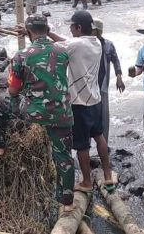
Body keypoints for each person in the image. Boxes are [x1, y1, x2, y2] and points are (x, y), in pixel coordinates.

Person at [0, 15, 76, 212]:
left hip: (35, 112)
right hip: (62, 112)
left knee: (1, 100)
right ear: (47, 28)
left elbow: (14, 92)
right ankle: (67, 203)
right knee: (64, 156)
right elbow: (61, 49)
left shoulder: (22, 55)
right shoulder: (64, 50)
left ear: (28, 31)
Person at [47, 11, 115, 194]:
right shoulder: (96, 42)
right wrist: (48, 32)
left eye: (72, 26)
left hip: (79, 103)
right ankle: (107, 174)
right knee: (99, 136)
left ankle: (86, 181)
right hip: (95, 99)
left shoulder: (76, 44)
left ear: (78, 27)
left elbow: (57, 46)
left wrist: (42, 34)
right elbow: (67, 42)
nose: (69, 29)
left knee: (82, 144)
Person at [92, 18, 125, 144]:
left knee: (103, 116)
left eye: (92, 29)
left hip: (102, 85)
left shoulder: (108, 45)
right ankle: (88, 146)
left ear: (97, 31)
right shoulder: (84, 44)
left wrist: (119, 77)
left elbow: (116, 60)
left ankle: (104, 144)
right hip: (88, 86)